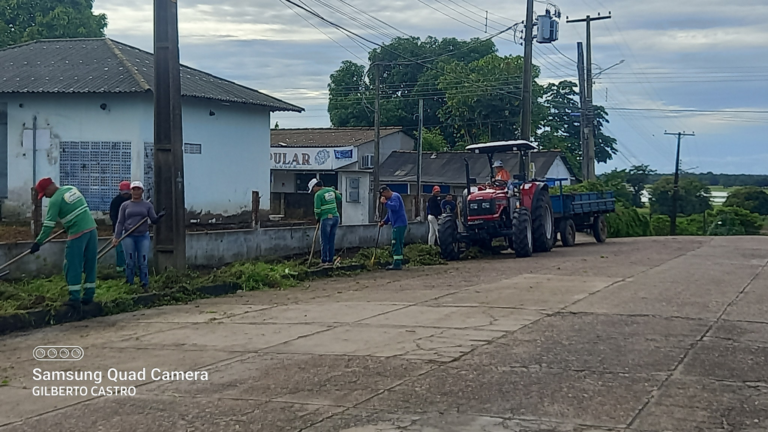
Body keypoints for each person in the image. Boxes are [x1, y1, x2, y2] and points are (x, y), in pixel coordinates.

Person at [29, 178, 98, 308]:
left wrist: (38, 242)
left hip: (78, 233)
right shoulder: (71, 189)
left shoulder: (55, 200)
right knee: (90, 263)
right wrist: (67, 225)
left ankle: (74, 297)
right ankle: (89, 296)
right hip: (92, 230)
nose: (47, 197)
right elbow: (76, 210)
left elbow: (49, 224)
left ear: (49, 188)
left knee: (73, 264)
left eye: (45, 194)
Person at [113, 181, 164, 290]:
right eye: (134, 189)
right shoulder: (125, 205)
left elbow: (153, 220)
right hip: (128, 236)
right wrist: (116, 237)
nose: (136, 192)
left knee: (143, 261)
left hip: (142, 236)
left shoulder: (147, 205)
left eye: (138, 190)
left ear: (142, 191)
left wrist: (159, 217)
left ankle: (144, 284)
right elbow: (120, 222)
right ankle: (130, 283)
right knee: (130, 261)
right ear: (131, 191)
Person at [310, 178, 342, 267]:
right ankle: (330, 260)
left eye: (313, 189)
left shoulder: (318, 195)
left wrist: (317, 218)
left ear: (315, 186)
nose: (313, 191)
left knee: (324, 241)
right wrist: (335, 192)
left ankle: (324, 261)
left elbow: (317, 210)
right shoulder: (331, 190)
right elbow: (339, 198)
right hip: (335, 217)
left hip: (326, 218)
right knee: (331, 240)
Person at [379, 186, 408, 271]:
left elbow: (395, 207)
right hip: (396, 224)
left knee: (395, 242)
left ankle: (397, 263)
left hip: (399, 223)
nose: (383, 197)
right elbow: (390, 213)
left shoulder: (395, 196)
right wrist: (384, 222)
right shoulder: (390, 199)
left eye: (382, 195)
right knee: (398, 242)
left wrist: (385, 203)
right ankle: (398, 261)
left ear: (385, 192)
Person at [109, 181, 132, 272]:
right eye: (124, 192)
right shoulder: (116, 201)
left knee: (130, 249)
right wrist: (120, 225)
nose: (126, 194)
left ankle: (131, 267)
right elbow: (113, 215)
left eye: (127, 191)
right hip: (119, 229)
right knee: (120, 249)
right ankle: (120, 267)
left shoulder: (133, 200)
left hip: (131, 229)